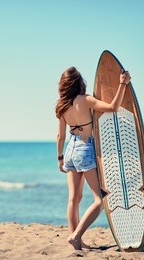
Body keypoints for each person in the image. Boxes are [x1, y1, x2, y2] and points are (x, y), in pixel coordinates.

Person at [55, 66, 131, 250]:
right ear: (79, 82)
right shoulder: (86, 100)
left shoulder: (62, 106)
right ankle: (76, 236)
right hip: (84, 147)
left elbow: (60, 136)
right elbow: (113, 107)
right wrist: (122, 84)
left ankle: (76, 240)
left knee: (74, 198)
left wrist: (60, 158)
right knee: (101, 199)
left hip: (70, 150)